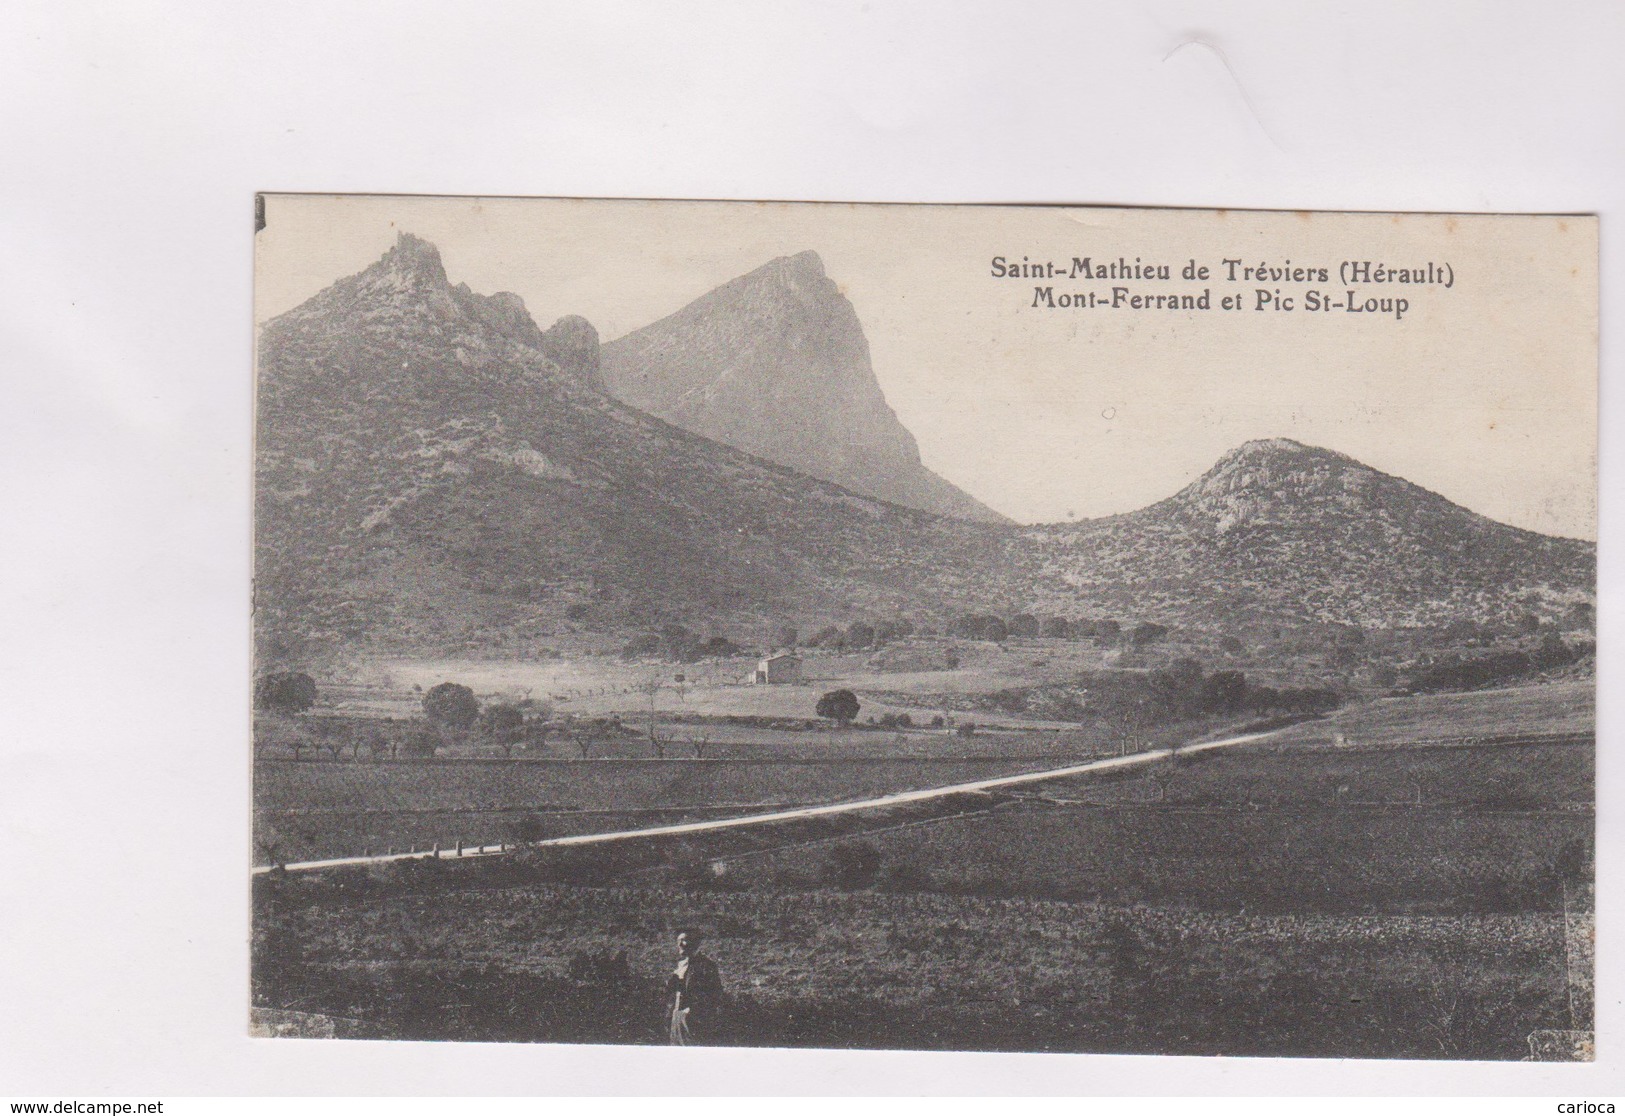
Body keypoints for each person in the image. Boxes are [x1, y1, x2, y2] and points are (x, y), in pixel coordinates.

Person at [665, 930, 723, 1045]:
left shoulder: (706, 966)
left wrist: (693, 1012)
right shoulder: (681, 966)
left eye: (684, 940)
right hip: (676, 1018)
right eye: (678, 941)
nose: (680, 944)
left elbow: (715, 994)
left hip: (694, 1020)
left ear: (695, 943)